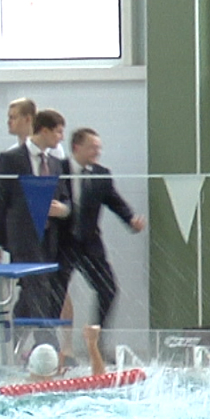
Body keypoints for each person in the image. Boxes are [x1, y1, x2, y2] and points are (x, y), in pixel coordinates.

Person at [0, 108, 72, 347]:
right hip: (23, 238)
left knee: (30, 295)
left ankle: (5, 349)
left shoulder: (55, 163)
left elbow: (66, 200)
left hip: (49, 238)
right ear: (43, 130)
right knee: (39, 288)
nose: (61, 138)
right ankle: (47, 347)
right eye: (58, 132)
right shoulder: (11, 159)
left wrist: (62, 210)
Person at [58, 128, 146, 338]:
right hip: (61, 244)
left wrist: (131, 219)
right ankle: (47, 346)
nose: (97, 152)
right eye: (92, 147)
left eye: (99, 148)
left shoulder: (101, 174)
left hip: (89, 244)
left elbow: (114, 201)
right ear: (76, 147)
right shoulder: (57, 170)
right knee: (54, 295)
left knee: (108, 290)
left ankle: (94, 340)